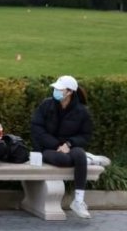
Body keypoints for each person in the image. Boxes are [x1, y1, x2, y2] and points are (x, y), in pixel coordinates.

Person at [30, 75, 94, 219]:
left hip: (69, 148)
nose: (56, 91)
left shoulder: (82, 111)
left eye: (60, 89)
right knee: (64, 159)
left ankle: (78, 201)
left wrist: (69, 144)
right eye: (55, 88)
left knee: (78, 154)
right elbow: (36, 127)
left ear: (70, 92)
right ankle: (87, 159)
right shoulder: (46, 105)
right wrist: (56, 145)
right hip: (48, 149)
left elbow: (85, 135)